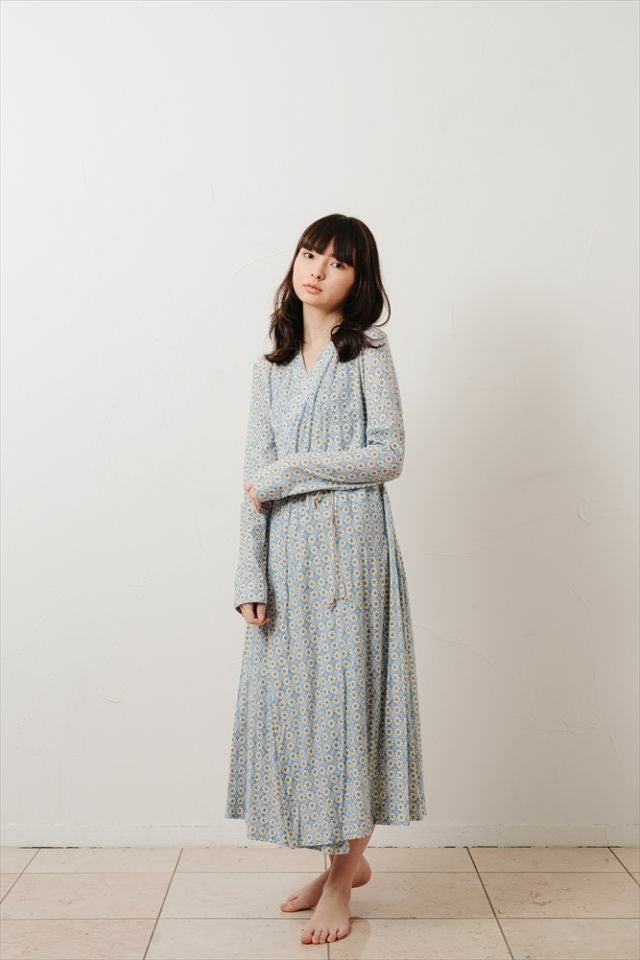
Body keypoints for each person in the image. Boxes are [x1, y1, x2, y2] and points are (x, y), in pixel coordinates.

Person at [226, 213, 426, 945]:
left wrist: (294, 470)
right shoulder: (270, 370)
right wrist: (250, 573)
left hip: (354, 555)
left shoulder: (367, 353)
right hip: (286, 558)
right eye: (310, 254)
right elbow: (255, 481)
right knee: (304, 714)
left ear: (358, 280)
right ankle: (341, 863)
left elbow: (387, 454)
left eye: (337, 262)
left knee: (350, 709)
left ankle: (341, 883)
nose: (317, 270)